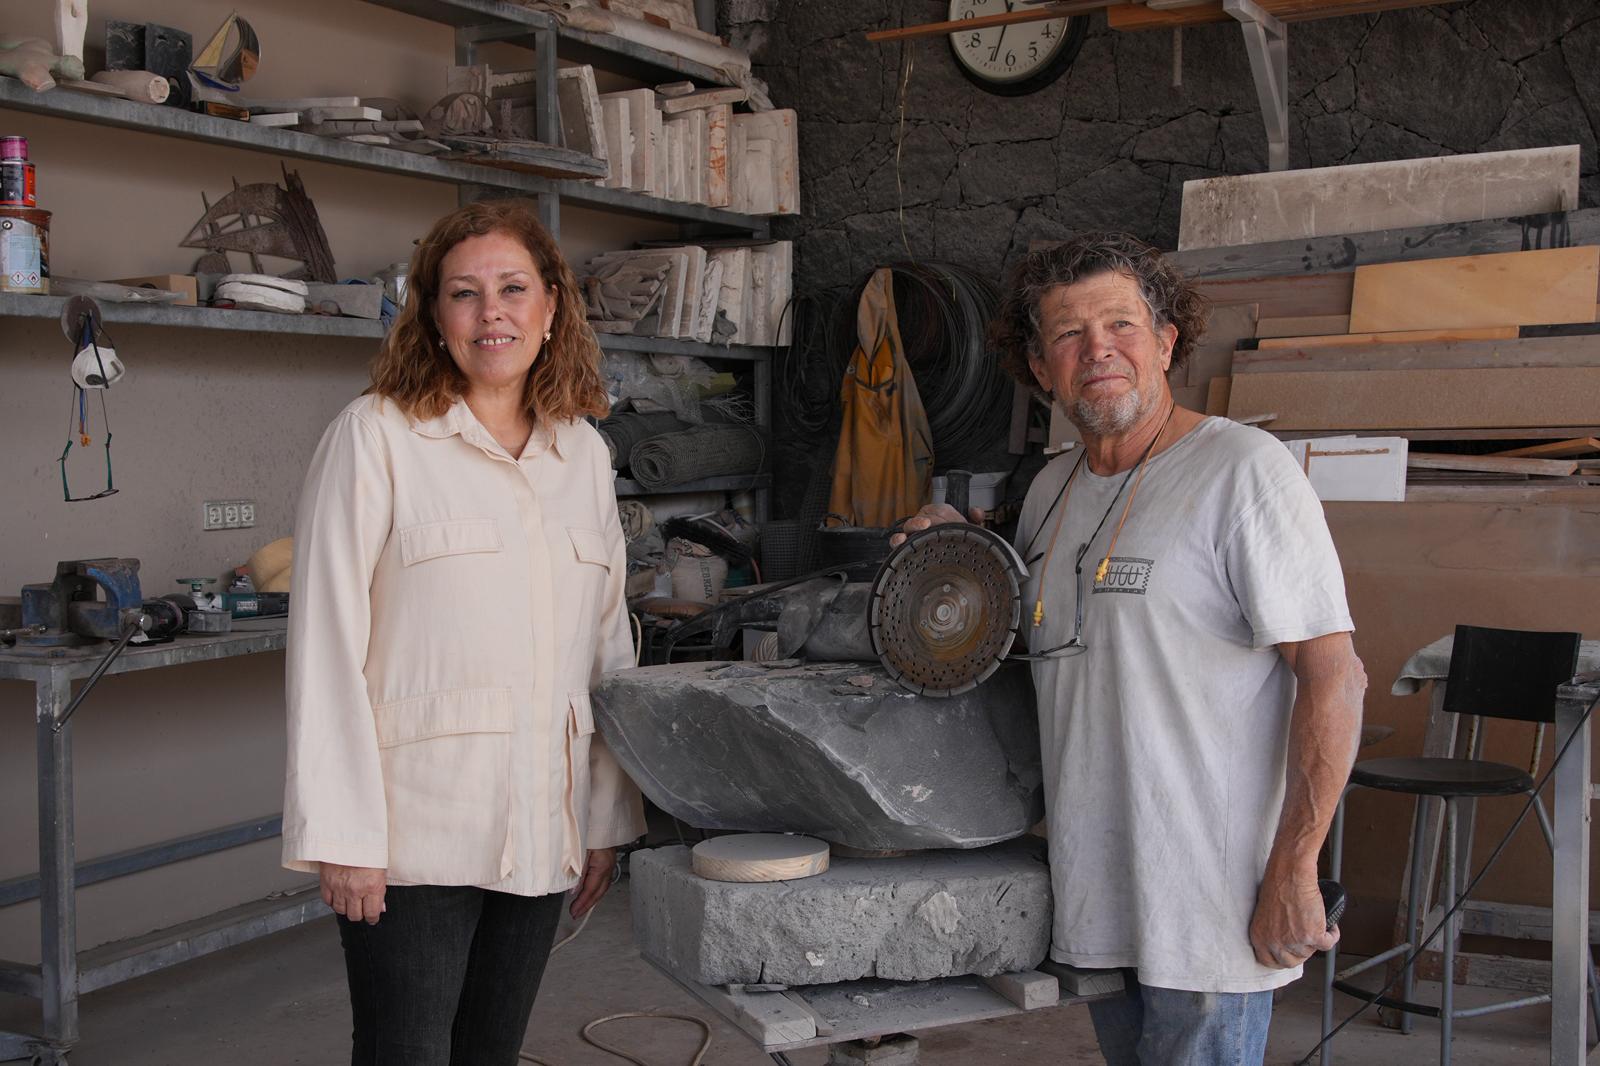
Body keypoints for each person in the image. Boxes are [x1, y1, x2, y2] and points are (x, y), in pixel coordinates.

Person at [898, 232, 1366, 1065]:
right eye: (1068, 334)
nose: (1098, 351)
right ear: (1040, 367)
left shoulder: (1242, 471)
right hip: (1100, 897)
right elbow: (1038, 636)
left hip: (1213, 905)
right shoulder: (1053, 488)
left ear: (1167, 341)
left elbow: (1336, 677)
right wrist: (953, 544)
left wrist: (1295, 869)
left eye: (1121, 325)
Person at [282, 198, 645, 1066]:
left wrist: (605, 818)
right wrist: (342, 837)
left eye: (514, 288)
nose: (492, 313)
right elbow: (325, 647)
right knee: (405, 1051)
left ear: (551, 307)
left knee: (492, 1051)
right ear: (433, 315)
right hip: (414, 834)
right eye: (464, 292)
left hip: (542, 817)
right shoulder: (376, 438)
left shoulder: (583, 455)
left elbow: (607, 651)